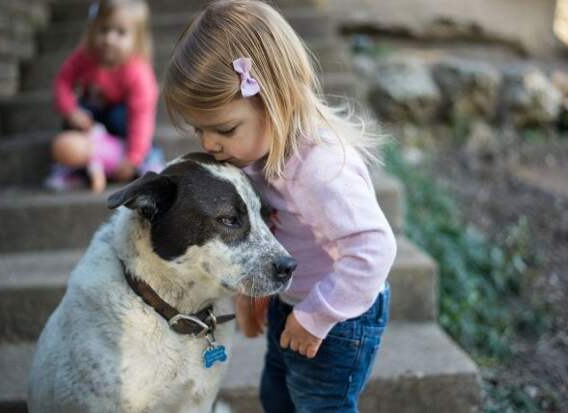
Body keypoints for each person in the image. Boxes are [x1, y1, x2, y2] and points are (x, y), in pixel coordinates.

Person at [164, 1, 397, 411]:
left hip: (340, 317)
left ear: (277, 100)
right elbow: (271, 232)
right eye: (200, 129)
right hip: (294, 303)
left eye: (224, 128)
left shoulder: (319, 171)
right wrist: (255, 295)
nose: (207, 144)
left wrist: (316, 317)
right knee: (277, 398)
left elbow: (374, 250)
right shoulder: (253, 156)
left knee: (319, 405)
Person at [45, 0, 163, 193]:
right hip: (92, 122)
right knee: (75, 118)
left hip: (123, 125)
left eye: (120, 32)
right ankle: (75, 167)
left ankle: (149, 158)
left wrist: (133, 157)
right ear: (93, 29)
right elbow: (63, 81)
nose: (109, 38)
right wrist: (71, 110)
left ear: (137, 38)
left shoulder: (138, 71)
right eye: (103, 29)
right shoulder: (86, 56)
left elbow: (142, 116)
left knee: (121, 116)